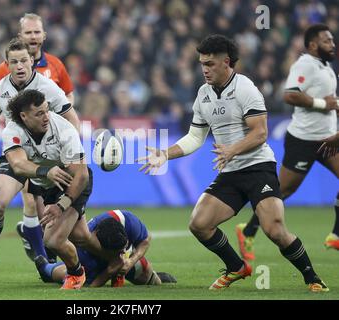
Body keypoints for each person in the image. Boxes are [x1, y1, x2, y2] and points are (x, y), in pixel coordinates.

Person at [138, 34, 329, 292]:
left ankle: (313, 278)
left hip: (258, 168)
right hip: (231, 172)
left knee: (274, 230)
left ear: (226, 62)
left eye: (210, 64)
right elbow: (195, 137)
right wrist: (165, 154)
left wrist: (232, 150)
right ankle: (236, 267)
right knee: (199, 224)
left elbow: (260, 133)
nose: (205, 69)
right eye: (202, 64)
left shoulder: (245, 88)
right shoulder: (203, 94)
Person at [0, 39, 79, 278]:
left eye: (23, 61)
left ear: (32, 61)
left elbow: (71, 117)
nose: (19, 66)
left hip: (49, 158)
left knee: (56, 219)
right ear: (6, 64)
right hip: (17, 153)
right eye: (14, 61)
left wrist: (74, 153)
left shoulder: (48, 88)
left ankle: (68, 260)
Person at [236, 24, 339, 260]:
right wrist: (324, 104)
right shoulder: (304, 65)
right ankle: (248, 230)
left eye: (332, 40)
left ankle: (336, 235)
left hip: (328, 140)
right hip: (303, 140)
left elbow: (330, 102)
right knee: (283, 190)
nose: (332, 44)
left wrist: (334, 108)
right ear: (312, 44)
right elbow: (290, 94)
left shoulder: (327, 68)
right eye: (327, 41)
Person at [0, 89, 100, 289]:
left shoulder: (64, 129)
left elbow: (81, 174)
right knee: (81, 236)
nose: (46, 117)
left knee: (53, 240)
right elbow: (18, 165)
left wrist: (61, 205)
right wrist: (46, 171)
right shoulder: (12, 131)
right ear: (23, 117)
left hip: (73, 183)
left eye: (47, 110)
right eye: (39, 113)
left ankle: (76, 273)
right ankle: (117, 257)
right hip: (47, 186)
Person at [25, 209, 177, 287]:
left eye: (123, 249)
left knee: (147, 274)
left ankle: (155, 277)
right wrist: (109, 272)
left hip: (118, 262)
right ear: (99, 245)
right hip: (93, 264)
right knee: (65, 273)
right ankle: (46, 267)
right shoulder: (83, 250)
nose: (121, 253)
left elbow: (145, 240)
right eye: (116, 252)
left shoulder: (126, 219)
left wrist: (131, 260)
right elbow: (89, 286)